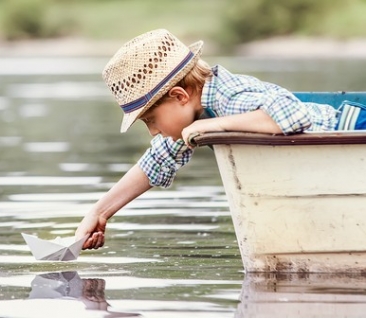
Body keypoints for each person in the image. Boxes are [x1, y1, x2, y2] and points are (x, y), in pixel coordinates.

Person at [75, 28, 366, 250]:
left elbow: (293, 117)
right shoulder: (196, 112)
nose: (152, 131)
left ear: (179, 96)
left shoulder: (229, 97)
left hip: (353, 125)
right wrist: (99, 212)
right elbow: (156, 161)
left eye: (151, 120)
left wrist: (215, 126)